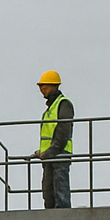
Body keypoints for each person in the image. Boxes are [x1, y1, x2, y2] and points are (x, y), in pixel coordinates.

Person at [35, 69, 74, 209]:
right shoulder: (50, 109)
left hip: (60, 153)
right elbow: (49, 135)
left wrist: (52, 150)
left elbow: (63, 131)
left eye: (44, 87)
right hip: (49, 156)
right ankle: (51, 214)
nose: (42, 90)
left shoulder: (63, 104)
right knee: (48, 189)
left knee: (60, 186)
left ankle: (62, 214)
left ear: (53, 86)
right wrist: (40, 152)